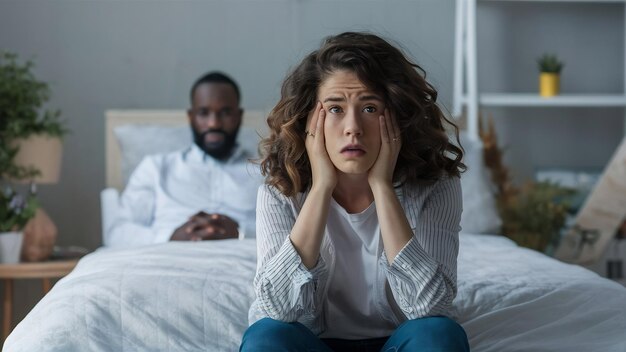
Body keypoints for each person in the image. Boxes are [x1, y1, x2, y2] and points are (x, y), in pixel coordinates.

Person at [241, 32, 470, 352]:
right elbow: (279, 308)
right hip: (313, 341)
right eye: (335, 109)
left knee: (438, 335)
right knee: (266, 338)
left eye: (370, 108)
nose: (353, 127)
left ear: (397, 114)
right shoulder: (281, 191)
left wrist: (382, 186)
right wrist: (321, 188)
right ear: (310, 119)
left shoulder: (437, 185)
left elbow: (431, 308)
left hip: (401, 339)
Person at [106, 72, 263, 247]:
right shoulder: (156, 168)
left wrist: (241, 232)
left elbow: (290, 232)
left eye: (225, 112)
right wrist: (171, 236)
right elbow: (118, 234)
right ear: (191, 117)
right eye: (204, 113)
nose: (214, 124)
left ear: (239, 116)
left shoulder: (267, 172)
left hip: (247, 261)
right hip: (163, 258)